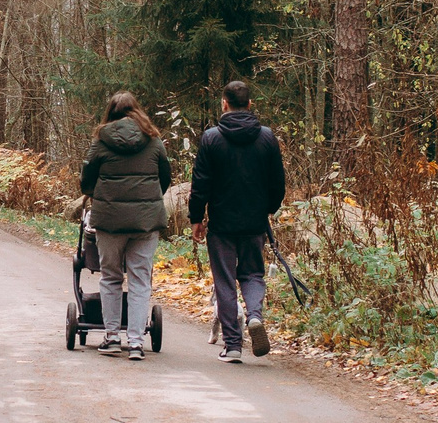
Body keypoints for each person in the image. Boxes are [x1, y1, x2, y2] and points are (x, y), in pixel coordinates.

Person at [187, 79, 287, 363]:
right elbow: (278, 183)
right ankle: (254, 316)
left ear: (224, 104)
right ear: (250, 104)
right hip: (254, 222)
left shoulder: (211, 138)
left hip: (222, 224)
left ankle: (232, 345)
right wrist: (268, 209)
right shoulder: (267, 137)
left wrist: (197, 218)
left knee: (225, 281)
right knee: (253, 274)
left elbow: (200, 183)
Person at [79, 91, 172, 360]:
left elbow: (86, 180)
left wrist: (98, 195)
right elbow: (165, 177)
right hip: (145, 223)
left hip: (109, 222)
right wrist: (148, 200)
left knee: (110, 276)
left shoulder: (101, 141)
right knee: (141, 279)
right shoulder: (153, 140)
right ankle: (136, 343)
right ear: (136, 110)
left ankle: (111, 338)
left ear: (110, 112)